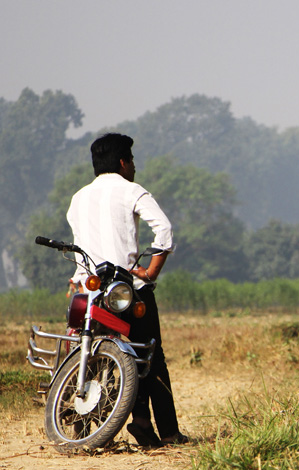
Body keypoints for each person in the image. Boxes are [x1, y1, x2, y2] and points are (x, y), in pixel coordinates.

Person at [66, 133, 188, 446]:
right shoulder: (130, 190)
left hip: (91, 289)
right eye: (132, 160)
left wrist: (79, 278)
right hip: (127, 289)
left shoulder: (78, 199)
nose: (134, 166)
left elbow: (81, 248)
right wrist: (150, 272)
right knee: (149, 355)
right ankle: (164, 432)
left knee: (88, 350)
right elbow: (164, 230)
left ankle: (82, 425)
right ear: (123, 162)